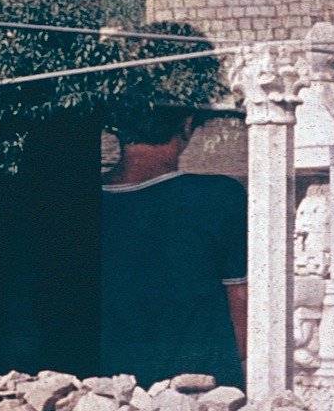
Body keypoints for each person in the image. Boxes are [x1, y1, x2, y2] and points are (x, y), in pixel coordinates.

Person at [101, 107, 248, 388]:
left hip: (106, 391)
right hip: (199, 388)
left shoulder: (78, 206)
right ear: (187, 124)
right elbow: (239, 299)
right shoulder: (217, 196)